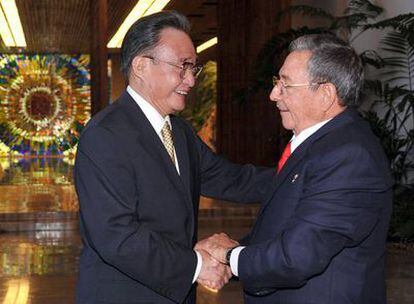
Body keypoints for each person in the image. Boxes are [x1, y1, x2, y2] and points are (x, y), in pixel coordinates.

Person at [74, 10, 272, 304]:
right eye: (182, 67)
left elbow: (232, 179)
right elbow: (117, 236)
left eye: (194, 69)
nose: (190, 80)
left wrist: (302, 174)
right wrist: (197, 265)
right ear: (141, 66)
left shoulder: (179, 132)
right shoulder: (106, 135)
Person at [196, 34, 393, 304]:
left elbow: (296, 256)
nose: (273, 94)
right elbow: (281, 227)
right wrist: (235, 254)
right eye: (277, 82)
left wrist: (230, 256)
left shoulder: (349, 157)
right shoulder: (320, 145)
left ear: (325, 95)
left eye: (285, 85)